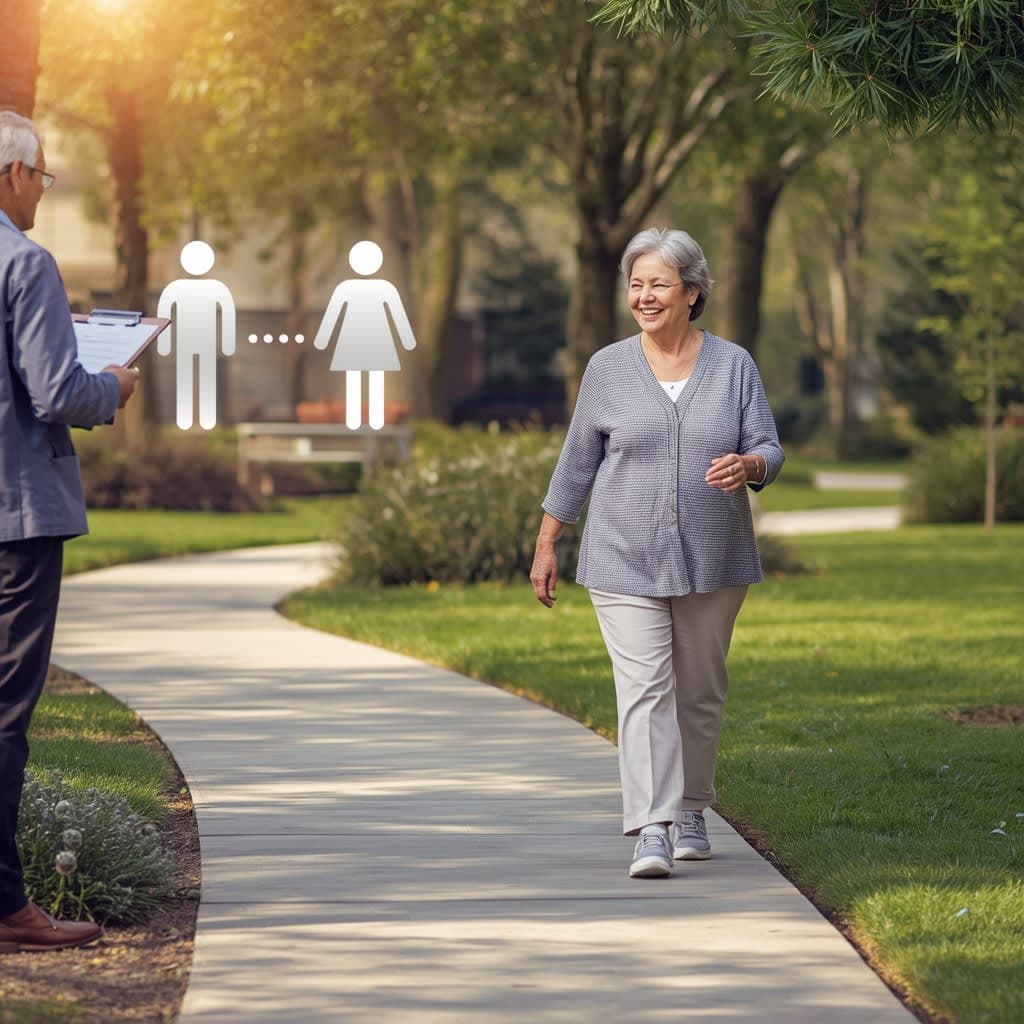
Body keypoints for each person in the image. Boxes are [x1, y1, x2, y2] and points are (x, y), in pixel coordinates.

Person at [531, 228, 784, 879]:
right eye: (636, 284)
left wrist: (750, 463)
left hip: (715, 556)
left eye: (658, 284)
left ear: (692, 293)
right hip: (622, 556)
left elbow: (769, 447)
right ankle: (651, 825)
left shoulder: (734, 366)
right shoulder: (609, 369)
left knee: (700, 691)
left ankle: (692, 808)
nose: (644, 296)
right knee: (644, 689)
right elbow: (577, 462)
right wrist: (548, 540)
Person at [0, 110, 139, 950]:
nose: (44, 192)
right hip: (15, 520)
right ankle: (9, 905)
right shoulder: (25, 264)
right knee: (4, 711)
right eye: (43, 176)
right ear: (12, 174)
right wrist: (115, 386)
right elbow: (58, 393)